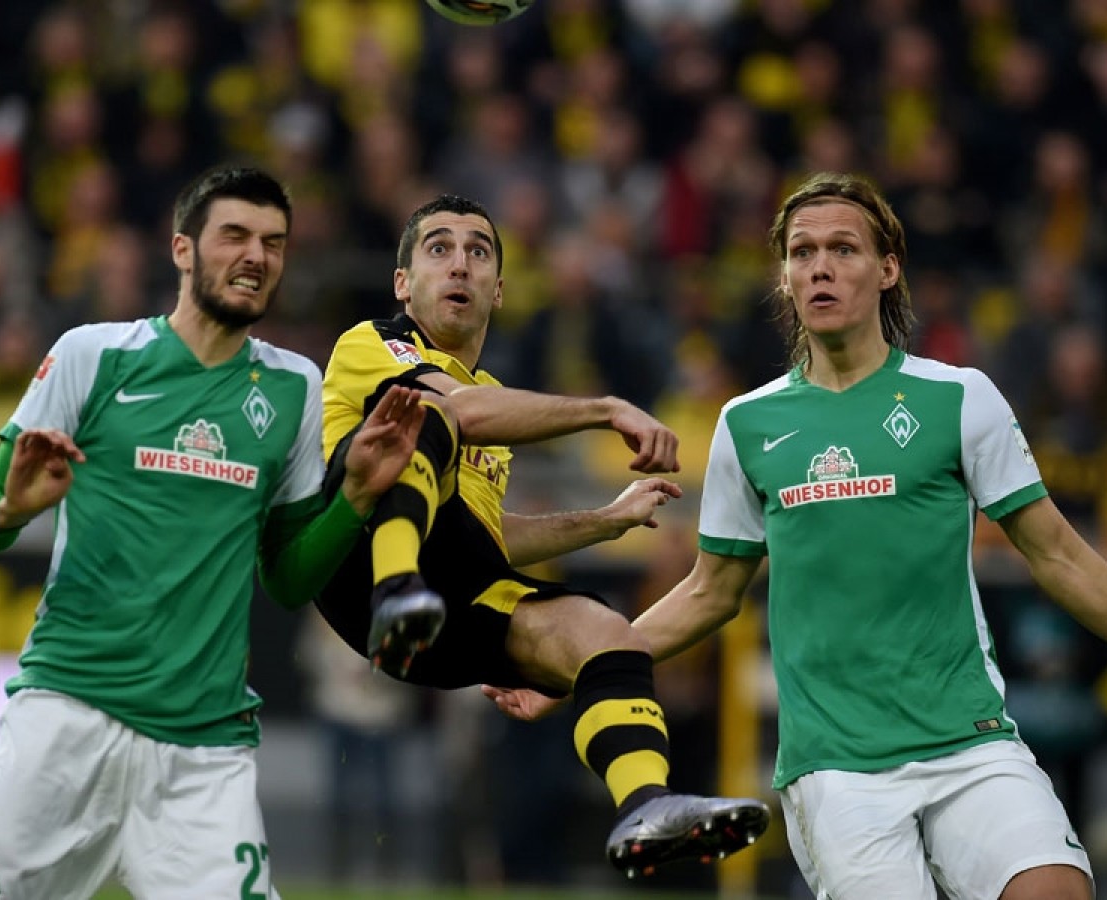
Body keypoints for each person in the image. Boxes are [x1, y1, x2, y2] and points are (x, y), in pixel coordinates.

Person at [490, 171, 1107, 898]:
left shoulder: (960, 398)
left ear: (887, 268)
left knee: (1056, 890)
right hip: (836, 767)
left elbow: (1058, 555)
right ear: (784, 277)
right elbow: (709, 593)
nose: (820, 266)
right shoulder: (747, 424)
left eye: (843, 249)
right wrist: (582, 670)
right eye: (802, 252)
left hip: (970, 744)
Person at [0, 165, 428, 900]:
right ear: (182, 249)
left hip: (202, 750)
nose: (256, 256)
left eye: (273, 242)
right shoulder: (91, 356)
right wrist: (11, 510)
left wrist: (355, 495)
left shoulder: (294, 387)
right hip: (68, 716)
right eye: (234, 235)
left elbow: (288, 578)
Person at [314, 192, 770, 878]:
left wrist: (604, 522)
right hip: (358, 570)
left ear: (499, 290)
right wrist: (604, 409)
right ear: (403, 283)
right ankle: (397, 587)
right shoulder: (371, 343)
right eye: (439, 249)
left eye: (478, 252)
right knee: (428, 415)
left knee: (604, 633)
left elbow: (484, 536)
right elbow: (460, 412)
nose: (460, 264)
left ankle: (646, 806)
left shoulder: (494, 393)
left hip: (451, 608)